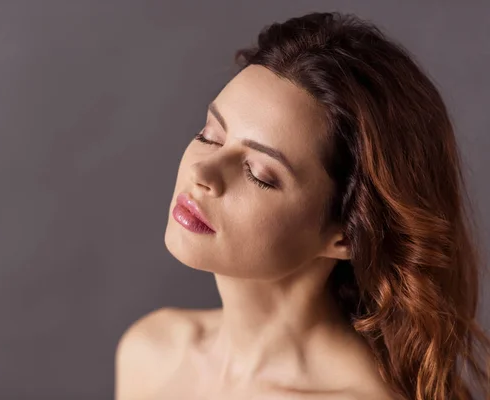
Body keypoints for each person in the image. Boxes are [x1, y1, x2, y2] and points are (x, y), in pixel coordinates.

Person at [115, 11, 490, 400]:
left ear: (346, 234)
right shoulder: (150, 353)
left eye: (258, 172)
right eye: (210, 135)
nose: (203, 173)